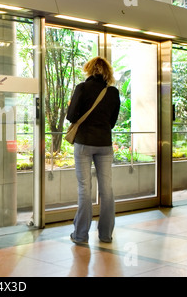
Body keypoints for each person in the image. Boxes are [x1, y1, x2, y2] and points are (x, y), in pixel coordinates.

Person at [66, 56, 120, 244]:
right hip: (104, 144)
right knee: (107, 190)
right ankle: (105, 235)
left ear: (89, 70)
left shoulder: (82, 88)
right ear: (107, 72)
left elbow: (71, 116)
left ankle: (80, 235)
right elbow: (112, 122)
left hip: (84, 143)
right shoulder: (112, 92)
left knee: (85, 189)